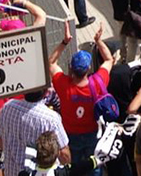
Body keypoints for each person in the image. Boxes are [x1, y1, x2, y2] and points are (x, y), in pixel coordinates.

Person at [49, 22, 114, 176]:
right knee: (94, 164)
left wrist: (65, 41)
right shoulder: (98, 82)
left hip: (70, 134)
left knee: (75, 167)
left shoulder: (63, 84)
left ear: (71, 68)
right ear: (88, 69)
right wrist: (98, 41)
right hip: (92, 132)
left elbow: (51, 62)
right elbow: (109, 60)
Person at [0, 89, 71, 176]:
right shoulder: (51, 119)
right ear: (46, 92)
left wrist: (12, 153)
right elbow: (65, 155)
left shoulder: (7, 107)